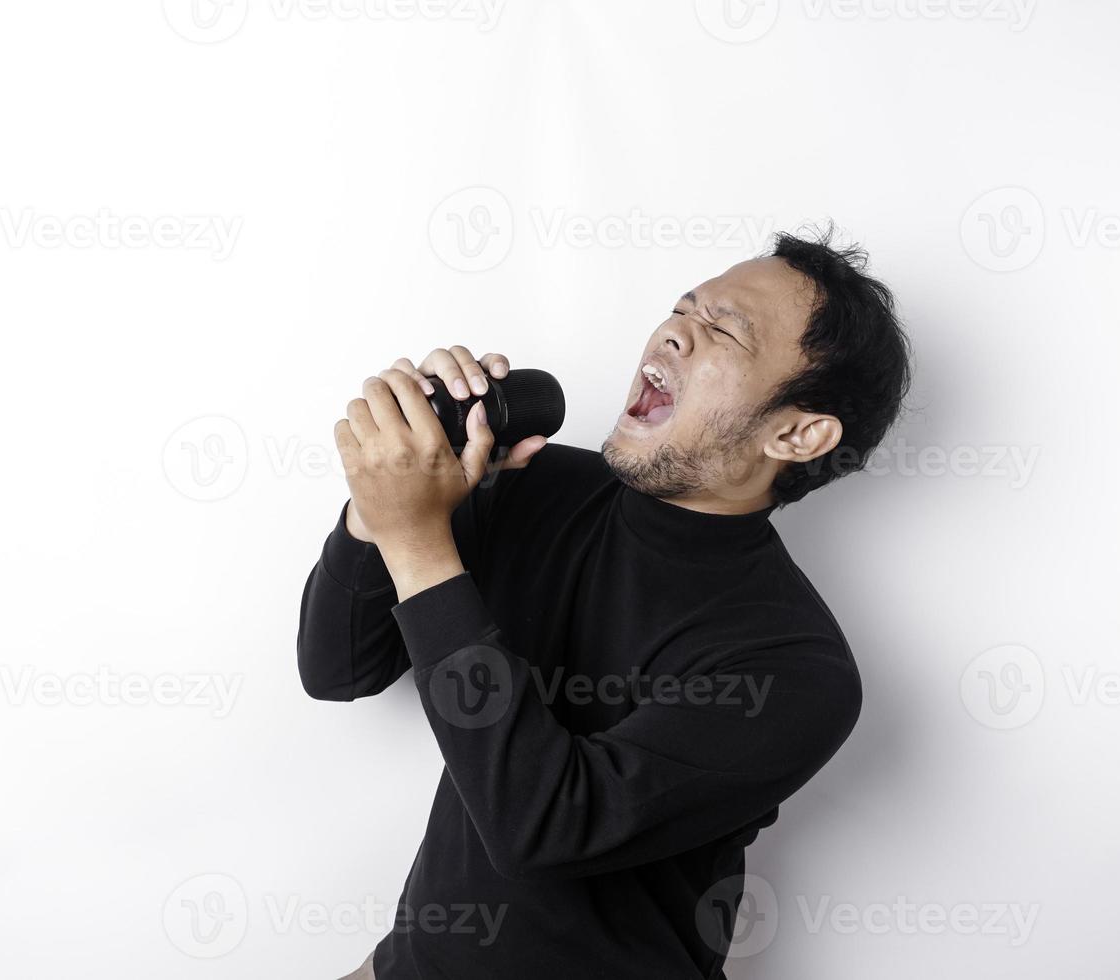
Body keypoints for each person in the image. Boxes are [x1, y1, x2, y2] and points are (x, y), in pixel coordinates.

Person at [299, 229, 912, 979]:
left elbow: (542, 829)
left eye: (723, 329)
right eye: (683, 309)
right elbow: (338, 667)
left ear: (798, 432)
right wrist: (380, 506)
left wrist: (420, 539)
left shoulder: (794, 667)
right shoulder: (535, 484)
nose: (676, 332)